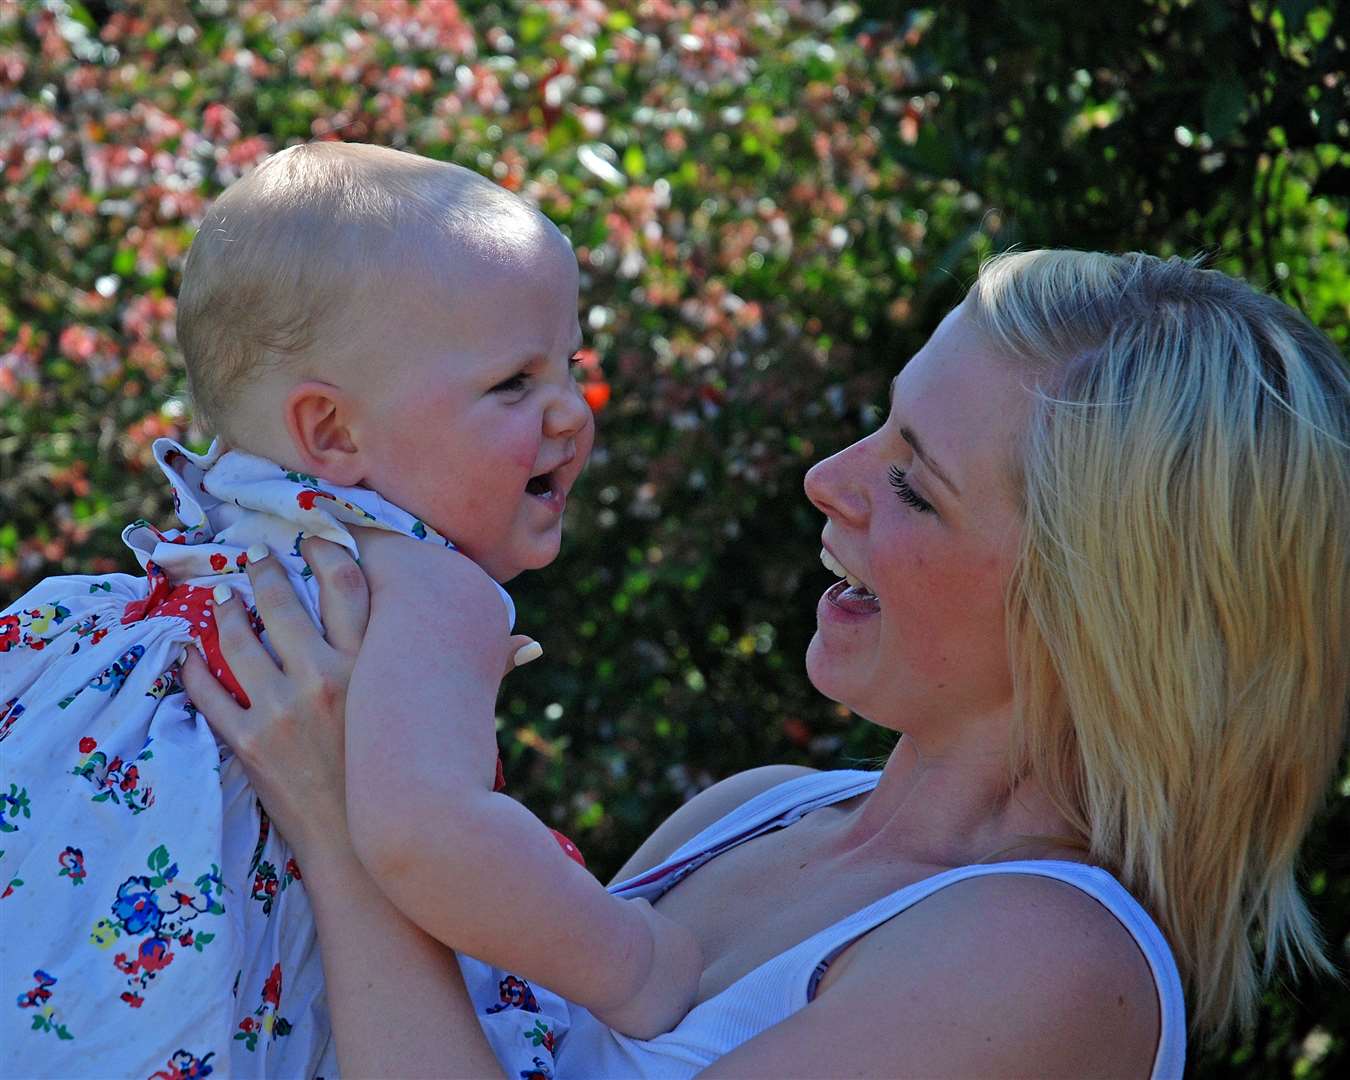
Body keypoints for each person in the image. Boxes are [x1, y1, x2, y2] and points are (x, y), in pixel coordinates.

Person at [194, 248, 1348, 1078]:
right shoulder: (754, 813)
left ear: (1093, 616)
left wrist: (346, 828)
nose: (829, 477)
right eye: (882, 427)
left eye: (912, 484)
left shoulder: (1045, 965)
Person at [0, 141, 703, 1079]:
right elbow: (427, 833)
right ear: (331, 431)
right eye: (514, 383)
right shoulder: (417, 580)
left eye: (568, 366)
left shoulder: (194, 569)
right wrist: (637, 964)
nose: (572, 412)